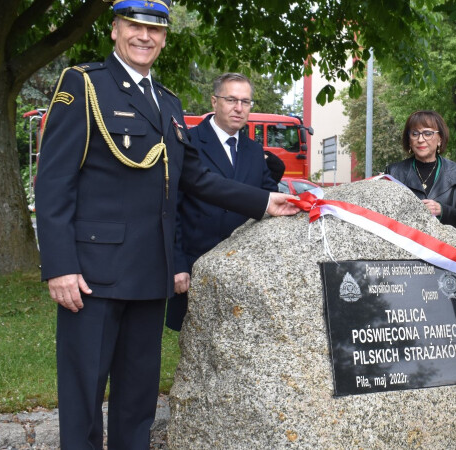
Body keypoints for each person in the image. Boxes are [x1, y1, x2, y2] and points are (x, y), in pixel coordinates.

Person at [34, 2, 298, 448]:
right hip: (92, 272)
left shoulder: (168, 102)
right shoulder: (85, 86)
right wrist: (59, 265)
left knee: (138, 397)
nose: (144, 38)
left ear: (163, 39)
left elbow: (196, 177)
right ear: (116, 30)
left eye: (154, 31)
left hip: (150, 273)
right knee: (83, 395)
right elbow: (54, 181)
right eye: (134, 27)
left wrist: (265, 201)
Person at [166, 73, 279, 331]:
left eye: (245, 102)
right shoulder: (188, 142)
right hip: (197, 268)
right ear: (214, 101)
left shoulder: (254, 151)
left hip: (244, 271)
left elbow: (267, 200)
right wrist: (178, 264)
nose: (239, 108)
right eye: (231, 100)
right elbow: (172, 208)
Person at [385, 110, 456, 233]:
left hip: (443, 249)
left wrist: (443, 210)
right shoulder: (394, 172)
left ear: (440, 139)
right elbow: (386, 219)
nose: (421, 139)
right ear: (409, 140)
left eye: (428, 133)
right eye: (415, 133)